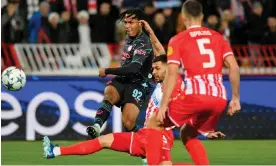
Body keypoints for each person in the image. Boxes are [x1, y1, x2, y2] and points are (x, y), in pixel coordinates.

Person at [43, 54, 224, 165]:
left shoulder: (175, 82)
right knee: (103, 140)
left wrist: (203, 131)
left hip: (159, 136)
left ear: (169, 66)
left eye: (157, 68)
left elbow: (186, 110)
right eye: (153, 68)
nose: (153, 71)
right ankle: (55, 151)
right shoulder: (164, 82)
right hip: (145, 135)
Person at [147, 0, 241, 165]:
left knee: (154, 122)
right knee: (188, 133)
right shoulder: (217, 37)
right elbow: (233, 66)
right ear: (202, 16)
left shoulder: (178, 39)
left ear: (183, 17)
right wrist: (235, 98)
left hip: (196, 97)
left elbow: (171, 73)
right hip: (219, 100)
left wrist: (163, 106)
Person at [86, 9, 154, 139]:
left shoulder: (144, 42)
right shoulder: (128, 38)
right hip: (123, 79)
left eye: (131, 22)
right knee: (110, 91)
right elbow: (126, 63)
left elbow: (134, 68)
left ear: (140, 23)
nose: (127, 26)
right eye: (126, 22)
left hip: (138, 84)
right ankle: (96, 126)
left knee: (128, 123)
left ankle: (146, 148)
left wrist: (108, 71)